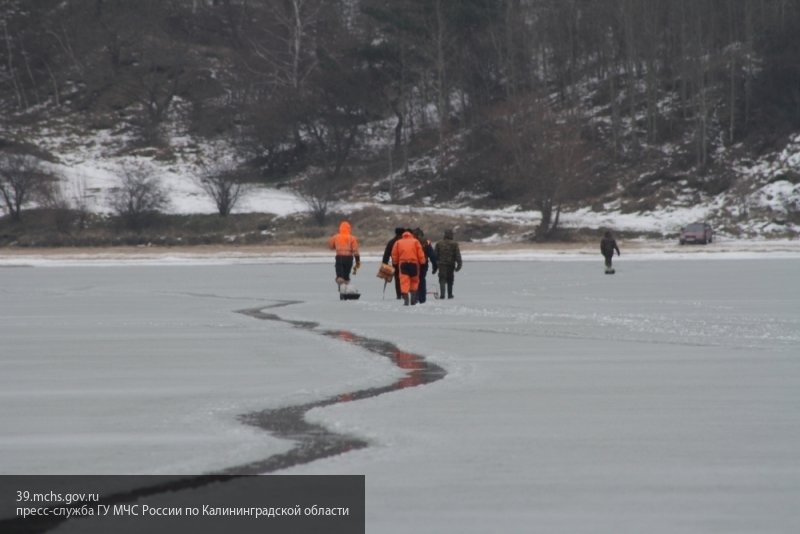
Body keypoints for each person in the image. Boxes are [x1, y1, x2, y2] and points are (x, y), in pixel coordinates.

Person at [391, 229, 427, 306]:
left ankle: (406, 300)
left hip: (403, 264)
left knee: (404, 282)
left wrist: (395, 262)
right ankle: (413, 300)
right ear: (411, 235)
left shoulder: (398, 242)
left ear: (403, 236)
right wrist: (422, 261)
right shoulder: (415, 241)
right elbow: (420, 253)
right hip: (414, 264)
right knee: (414, 281)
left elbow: (394, 254)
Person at [328, 220, 361, 285]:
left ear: (340, 228)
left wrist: (336, 246)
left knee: (339, 275)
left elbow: (331, 247)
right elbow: (356, 251)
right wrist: (358, 261)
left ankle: (341, 287)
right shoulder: (352, 238)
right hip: (349, 258)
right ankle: (346, 287)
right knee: (346, 275)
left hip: (339, 257)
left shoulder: (335, 237)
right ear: (349, 229)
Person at [433, 229, 462, 299]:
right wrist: (459, 265)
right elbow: (457, 255)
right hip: (451, 264)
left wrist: (435, 266)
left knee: (442, 279)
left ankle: (442, 295)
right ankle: (450, 294)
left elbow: (435, 256)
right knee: (450, 279)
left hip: (441, 264)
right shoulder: (454, 244)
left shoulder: (439, 243)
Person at [412, 227, 437, 303]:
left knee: (413, 280)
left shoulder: (410, 241)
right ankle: (422, 299)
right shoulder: (426, 242)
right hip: (423, 264)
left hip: (412, 263)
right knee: (422, 280)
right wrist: (435, 266)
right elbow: (432, 255)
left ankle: (414, 298)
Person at [382, 227, 405, 299]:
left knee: (397, 279)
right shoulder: (406, 241)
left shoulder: (391, 242)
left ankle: (399, 295)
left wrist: (385, 264)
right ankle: (405, 294)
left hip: (396, 263)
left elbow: (386, 254)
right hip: (406, 263)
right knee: (405, 279)